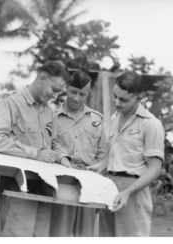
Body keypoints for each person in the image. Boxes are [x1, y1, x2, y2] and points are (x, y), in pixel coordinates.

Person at [0, 60, 71, 236]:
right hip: (18, 184)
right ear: (42, 77)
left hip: (45, 185)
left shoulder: (49, 111)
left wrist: (62, 157)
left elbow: (53, 142)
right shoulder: (10, 103)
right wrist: (35, 154)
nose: (55, 96)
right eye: (54, 90)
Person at [93, 71, 165, 236]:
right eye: (115, 97)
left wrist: (128, 192)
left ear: (139, 98)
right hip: (109, 188)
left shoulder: (151, 124)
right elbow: (113, 155)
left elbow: (154, 169)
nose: (117, 103)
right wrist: (97, 167)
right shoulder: (114, 118)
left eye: (123, 100)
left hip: (134, 191)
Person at [49, 69, 108, 237]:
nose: (76, 98)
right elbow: (51, 144)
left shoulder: (96, 119)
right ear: (66, 88)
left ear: (88, 94)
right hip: (63, 180)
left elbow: (104, 151)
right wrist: (63, 159)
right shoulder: (53, 117)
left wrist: (97, 170)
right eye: (73, 92)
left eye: (82, 94)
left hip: (89, 182)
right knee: (59, 233)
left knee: (87, 234)